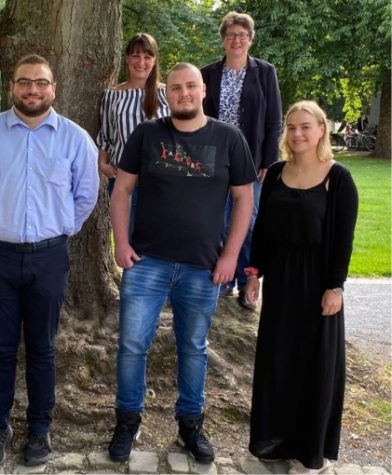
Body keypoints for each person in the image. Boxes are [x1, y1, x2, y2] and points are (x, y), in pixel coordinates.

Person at [107, 63, 256, 464]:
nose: (183, 94)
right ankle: (127, 420)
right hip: (147, 263)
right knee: (132, 346)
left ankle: (190, 424)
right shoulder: (147, 134)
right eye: (175, 88)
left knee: (193, 347)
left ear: (203, 90)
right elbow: (121, 190)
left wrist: (231, 257)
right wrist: (121, 243)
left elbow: (244, 199)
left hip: (203, 267)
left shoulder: (229, 139)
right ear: (165, 94)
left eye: (190, 86)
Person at [0, 54, 99, 467]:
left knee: (42, 348)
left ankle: (40, 429)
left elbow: (86, 194)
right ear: (12, 87)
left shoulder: (75, 138)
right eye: (24, 82)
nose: (32, 90)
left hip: (49, 258)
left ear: (53, 88)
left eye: (41, 82)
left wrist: (58, 230)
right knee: (0, 349)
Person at [245, 101, 358, 474]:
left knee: (314, 366)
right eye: (291, 127)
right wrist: (253, 274)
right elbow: (262, 231)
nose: (297, 134)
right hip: (281, 282)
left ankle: (312, 454)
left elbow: (343, 239)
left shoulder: (338, 178)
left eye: (305, 127)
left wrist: (335, 287)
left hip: (318, 283)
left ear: (321, 129)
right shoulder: (276, 173)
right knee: (279, 361)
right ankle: (276, 440)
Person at [200, 11, 282, 310]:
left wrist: (268, 161)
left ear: (250, 39)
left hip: (253, 161)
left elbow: (274, 120)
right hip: (215, 161)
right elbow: (199, 119)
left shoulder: (265, 72)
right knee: (219, 222)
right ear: (223, 39)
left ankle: (248, 280)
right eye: (231, 34)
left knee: (249, 223)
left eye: (242, 35)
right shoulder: (207, 73)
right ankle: (223, 280)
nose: (237, 40)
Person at [97, 33, 170, 237]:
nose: (141, 62)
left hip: (162, 182)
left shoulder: (167, 93)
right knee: (128, 240)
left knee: (160, 239)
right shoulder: (112, 95)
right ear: (127, 58)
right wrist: (102, 163)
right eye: (136, 55)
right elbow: (106, 134)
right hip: (123, 182)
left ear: (154, 61)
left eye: (147, 56)